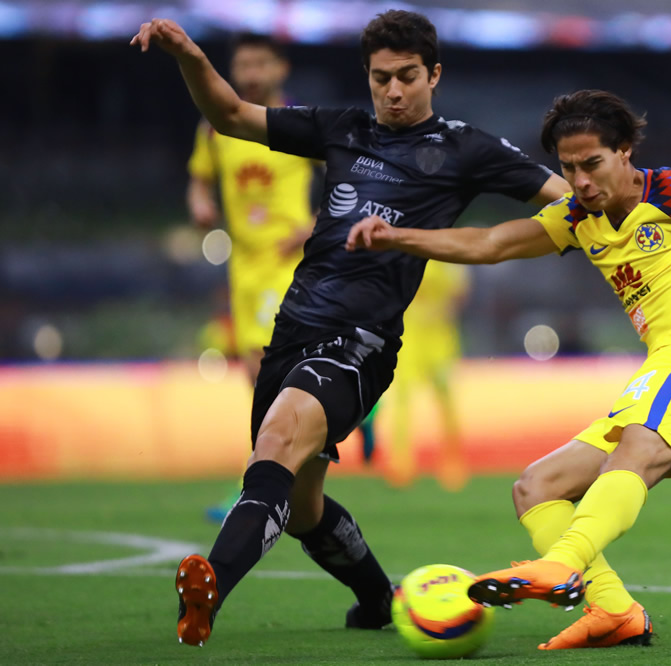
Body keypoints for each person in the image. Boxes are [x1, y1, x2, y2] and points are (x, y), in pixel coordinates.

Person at [131, 10, 569, 647]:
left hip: (360, 340)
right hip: (292, 330)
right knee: (304, 507)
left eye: (407, 77)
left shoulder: (465, 147)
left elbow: (569, 201)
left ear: (434, 75)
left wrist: (656, 231)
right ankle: (377, 600)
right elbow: (229, 115)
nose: (393, 91)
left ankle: (209, 585)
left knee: (277, 441)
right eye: (381, 78)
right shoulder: (342, 128)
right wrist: (188, 55)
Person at [346, 89, 671, 650]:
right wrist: (396, 237)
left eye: (592, 164)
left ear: (625, 152)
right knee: (537, 487)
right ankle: (614, 610)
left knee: (634, 450)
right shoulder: (579, 218)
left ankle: (561, 564)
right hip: (662, 372)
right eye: (568, 168)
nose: (579, 180)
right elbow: (491, 242)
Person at [185, 33, 320, 523]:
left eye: (261, 63)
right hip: (243, 268)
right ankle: (278, 471)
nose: (251, 74)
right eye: (242, 64)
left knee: (265, 370)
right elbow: (200, 179)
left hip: (287, 265)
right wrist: (201, 203)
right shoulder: (215, 126)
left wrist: (314, 224)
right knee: (253, 372)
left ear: (280, 68)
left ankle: (258, 481)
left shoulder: (299, 124)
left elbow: (352, 175)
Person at [386, 260, 471, 490]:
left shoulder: (449, 254)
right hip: (412, 336)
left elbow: (459, 295)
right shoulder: (410, 250)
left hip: (438, 337)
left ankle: (452, 464)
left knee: (444, 401)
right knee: (404, 399)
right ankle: (400, 464)